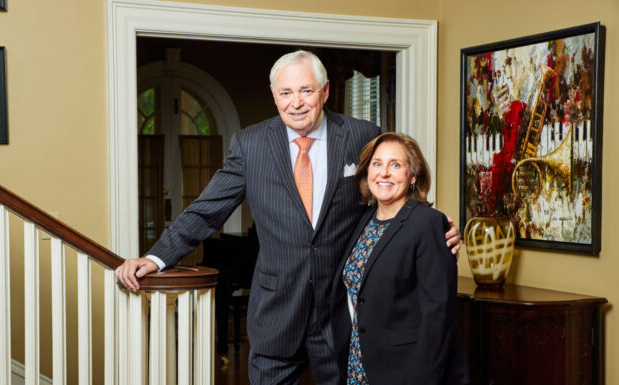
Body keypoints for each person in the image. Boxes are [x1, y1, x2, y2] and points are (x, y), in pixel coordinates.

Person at [115, 50, 461, 385]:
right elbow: (207, 209)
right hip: (276, 314)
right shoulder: (250, 145)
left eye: (306, 90)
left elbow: (392, 191)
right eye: (286, 92)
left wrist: (434, 229)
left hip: (340, 317)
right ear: (274, 95)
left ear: (324, 92)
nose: (296, 102)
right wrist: (155, 257)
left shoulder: (361, 135)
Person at [330, 132, 468, 385]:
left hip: (405, 370)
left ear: (412, 175)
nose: (384, 173)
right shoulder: (364, 221)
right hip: (359, 362)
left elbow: (438, 316)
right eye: (377, 164)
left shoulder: (428, 223)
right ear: (367, 172)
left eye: (395, 165)